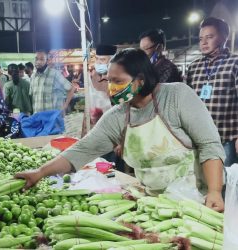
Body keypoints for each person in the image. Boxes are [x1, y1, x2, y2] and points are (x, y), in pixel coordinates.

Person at [16, 49, 225, 212]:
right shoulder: (117, 116)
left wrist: (215, 191)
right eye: (109, 81)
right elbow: (82, 150)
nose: (111, 88)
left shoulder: (177, 96)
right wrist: (40, 172)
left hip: (199, 198)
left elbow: (209, 144)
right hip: (157, 204)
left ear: (140, 80)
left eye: (118, 81)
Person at [187, 17, 238, 167]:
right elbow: (187, 102)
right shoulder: (194, 66)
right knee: (198, 183)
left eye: (210, 37)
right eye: (201, 38)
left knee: (224, 184)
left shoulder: (234, 63)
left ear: (224, 37)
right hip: (198, 139)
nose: (203, 42)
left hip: (225, 138)